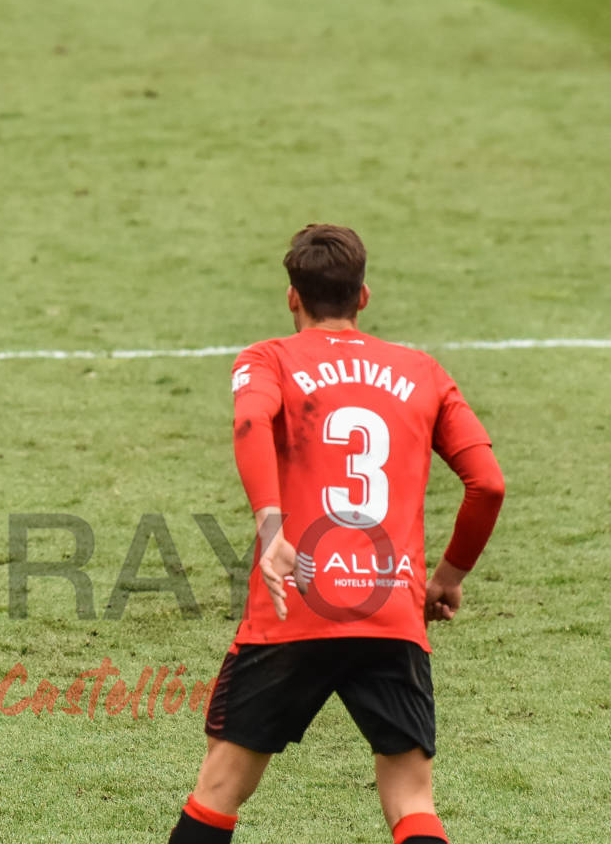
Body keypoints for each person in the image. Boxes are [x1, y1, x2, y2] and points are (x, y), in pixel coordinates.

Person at [167, 224, 504, 844]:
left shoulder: (268, 358)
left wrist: (273, 529)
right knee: (410, 798)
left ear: (292, 296)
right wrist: (447, 578)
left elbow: (249, 420)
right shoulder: (422, 371)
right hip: (390, 608)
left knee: (219, 789)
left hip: (291, 605)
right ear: (364, 295)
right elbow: (488, 484)